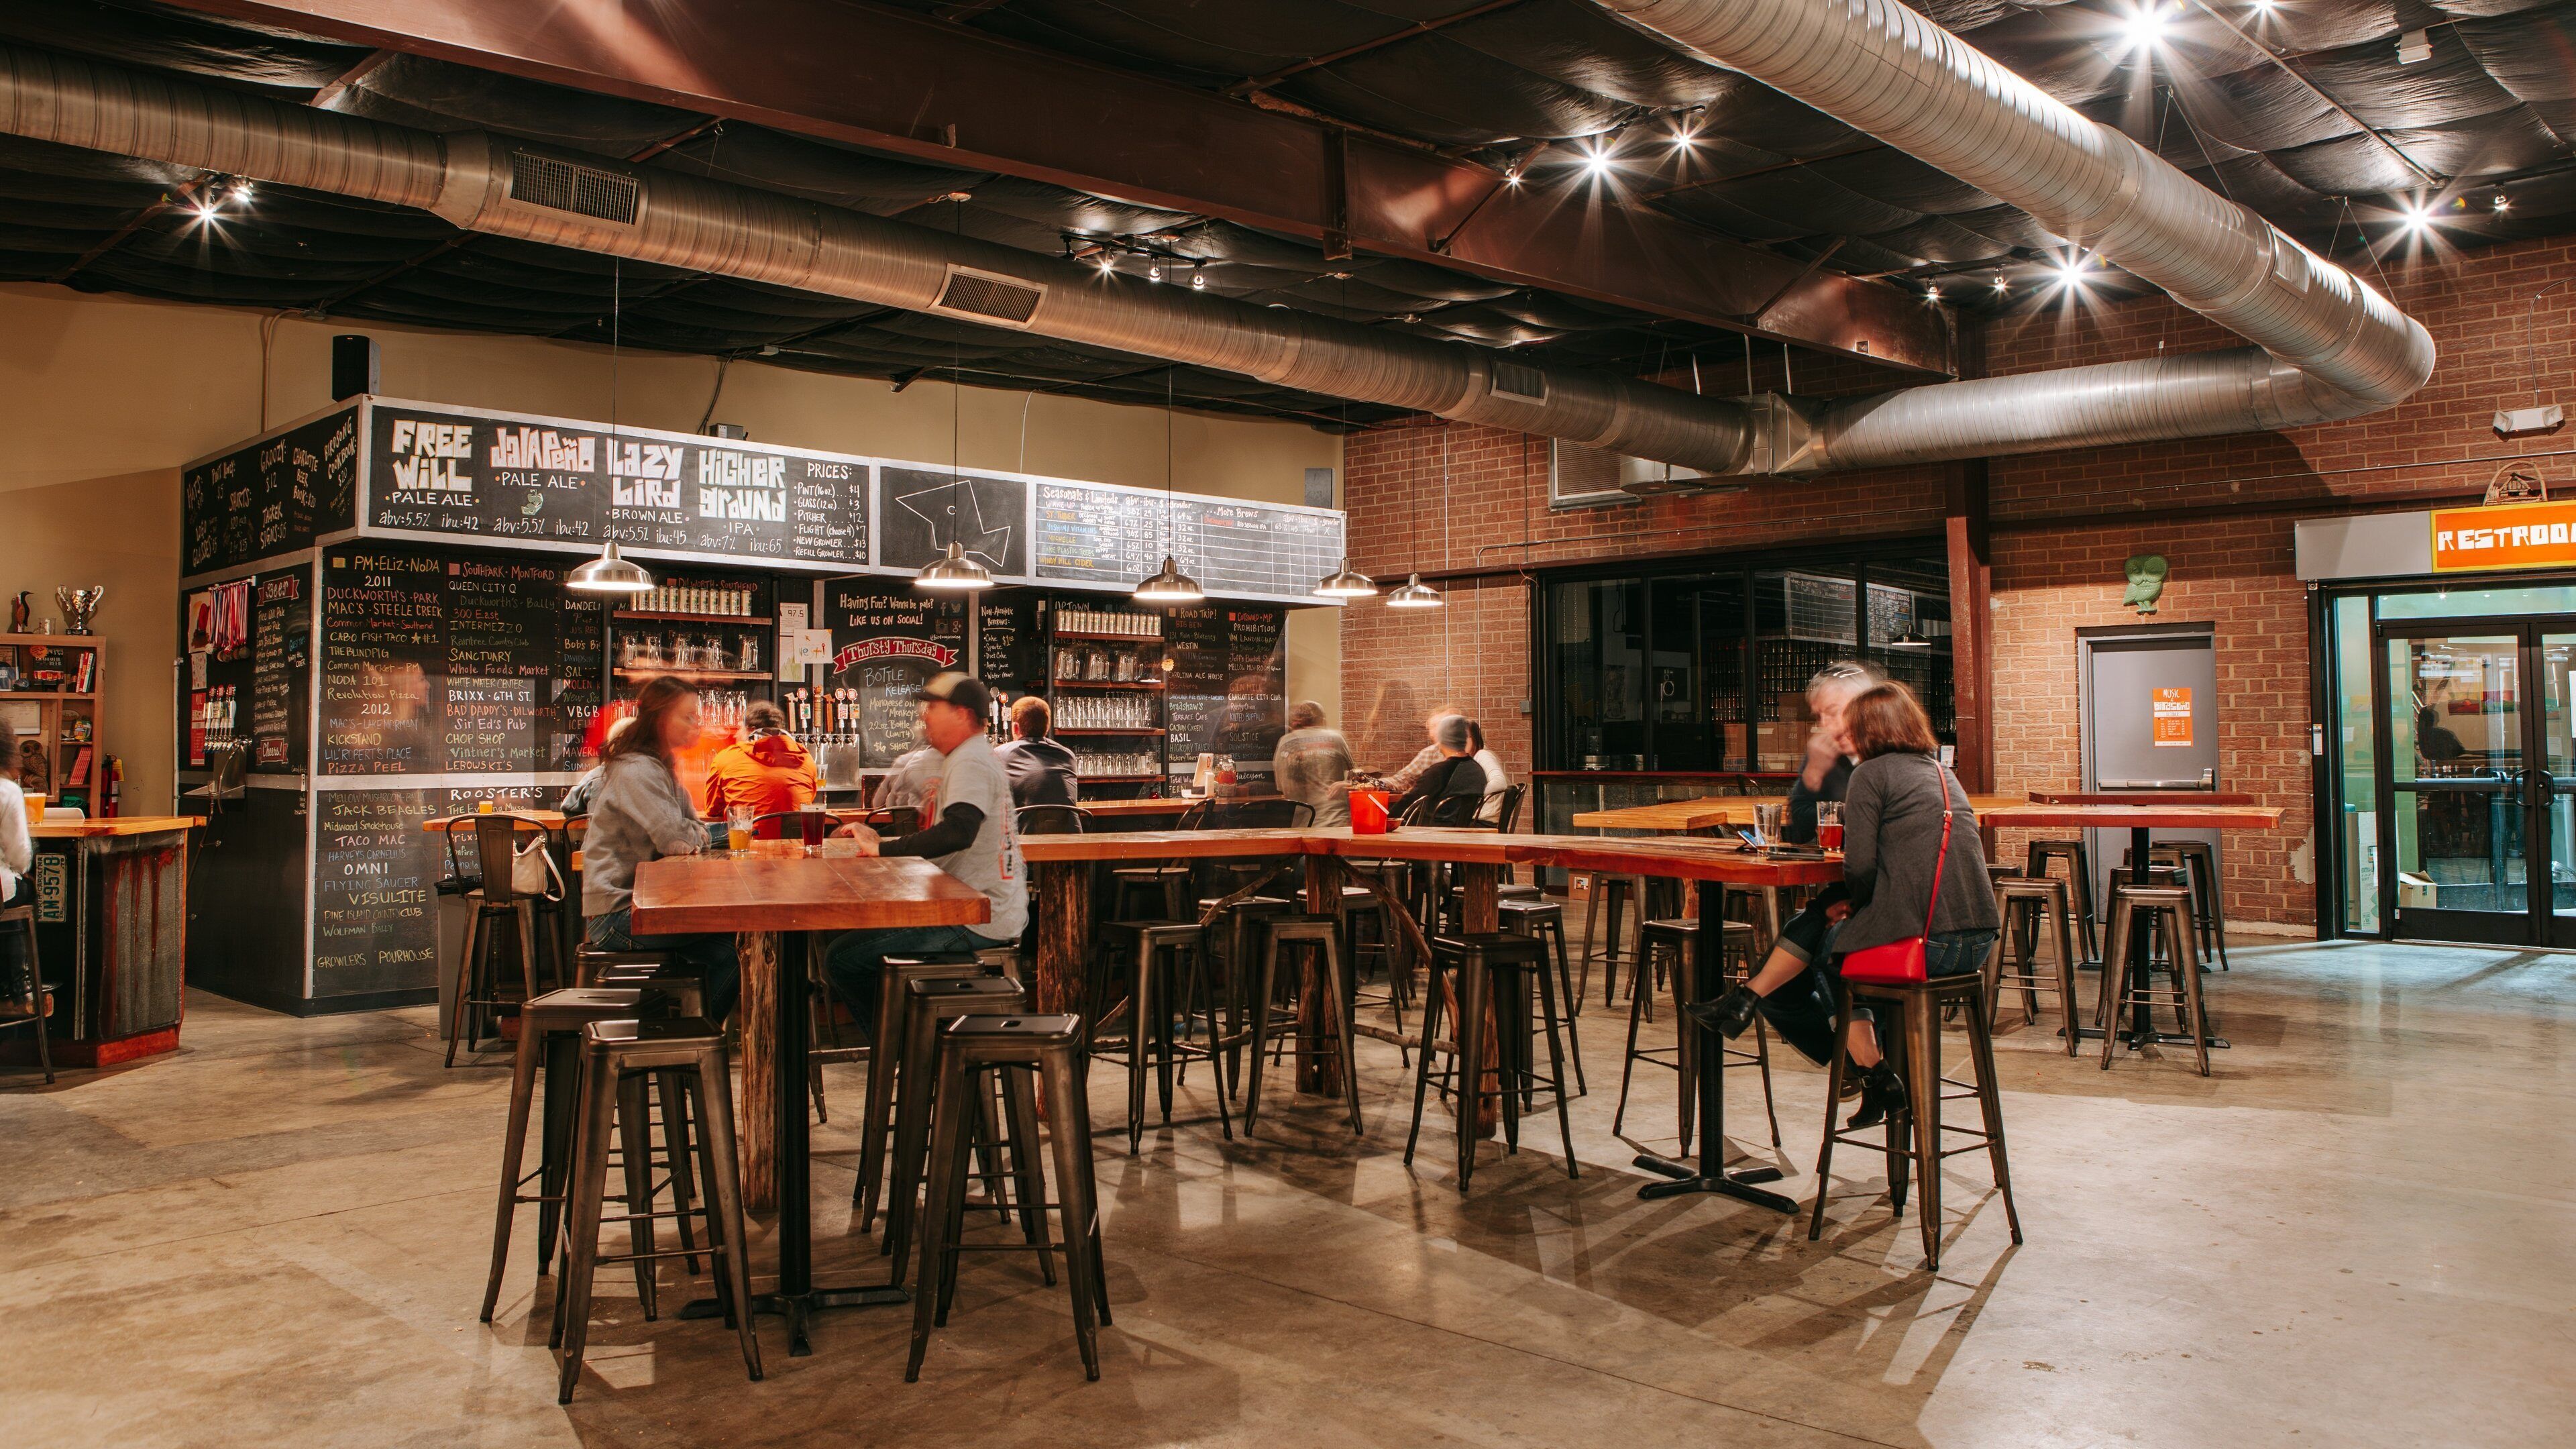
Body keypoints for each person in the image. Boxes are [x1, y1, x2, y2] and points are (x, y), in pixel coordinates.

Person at [1689, 681, 1999, 1130]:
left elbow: (1861, 867)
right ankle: (1747, 1000)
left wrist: (1852, 902)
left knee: (1833, 949)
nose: (1842, 735)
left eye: (1851, 727)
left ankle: (1871, 1073)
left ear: (1872, 729)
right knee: (1824, 919)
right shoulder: (1942, 773)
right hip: (1978, 940)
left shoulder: (1872, 774)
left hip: (1928, 941)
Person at [825, 672, 1026, 1030]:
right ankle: (918, 1047)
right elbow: (945, 832)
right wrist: (878, 837)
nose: (925, 715)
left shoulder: (970, 759)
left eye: (934, 707)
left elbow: (959, 831)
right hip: (976, 908)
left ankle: (906, 1052)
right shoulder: (968, 757)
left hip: (977, 917)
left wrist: (883, 849)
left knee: (842, 957)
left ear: (962, 714)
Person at [579, 677, 739, 1022]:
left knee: (735, 946)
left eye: (697, 716)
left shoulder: (660, 766)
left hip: (640, 904)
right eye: (688, 716)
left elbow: (688, 829)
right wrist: (706, 835)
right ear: (660, 717)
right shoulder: (638, 769)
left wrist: (696, 835)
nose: (697, 724)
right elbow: (676, 839)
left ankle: (690, 1039)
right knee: (738, 941)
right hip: (618, 913)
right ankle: (694, 1041)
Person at [702, 700, 818, 822]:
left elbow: (712, 809)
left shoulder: (726, 757)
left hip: (746, 838)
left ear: (751, 730)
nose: (736, 735)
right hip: (796, 840)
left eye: (740, 729)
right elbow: (807, 801)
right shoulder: (806, 759)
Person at [1389, 713, 1486, 824]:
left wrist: (1385, 817)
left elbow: (1408, 804)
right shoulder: (1477, 770)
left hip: (1431, 833)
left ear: (1443, 740)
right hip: (1462, 831)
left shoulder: (1439, 772)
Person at [1273, 700, 1354, 826]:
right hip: (1338, 820)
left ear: (1295, 722)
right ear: (1322, 720)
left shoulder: (1286, 742)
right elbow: (1355, 778)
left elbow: (1284, 788)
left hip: (1306, 823)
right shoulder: (1336, 738)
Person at [996, 695, 1079, 809]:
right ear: (1048, 727)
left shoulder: (1000, 754)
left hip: (1023, 827)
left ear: (1016, 728)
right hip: (1066, 827)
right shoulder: (1068, 755)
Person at [1381, 704, 1462, 795]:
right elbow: (1402, 780)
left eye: (1442, 725)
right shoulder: (1428, 754)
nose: (1438, 730)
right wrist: (1372, 783)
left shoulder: (1477, 755)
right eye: (1433, 726)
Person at [558, 716, 631, 816]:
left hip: (602, 832)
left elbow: (568, 807)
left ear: (611, 745)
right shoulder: (655, 776)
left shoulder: (597, 777)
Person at [1465, 718, 1511, 823]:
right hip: (1478, 818)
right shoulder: (1472, 759)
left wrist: (1471, 794)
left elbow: (1500, 783)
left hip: (1482, 819)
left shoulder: (1483, 755)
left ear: (1475, 738)